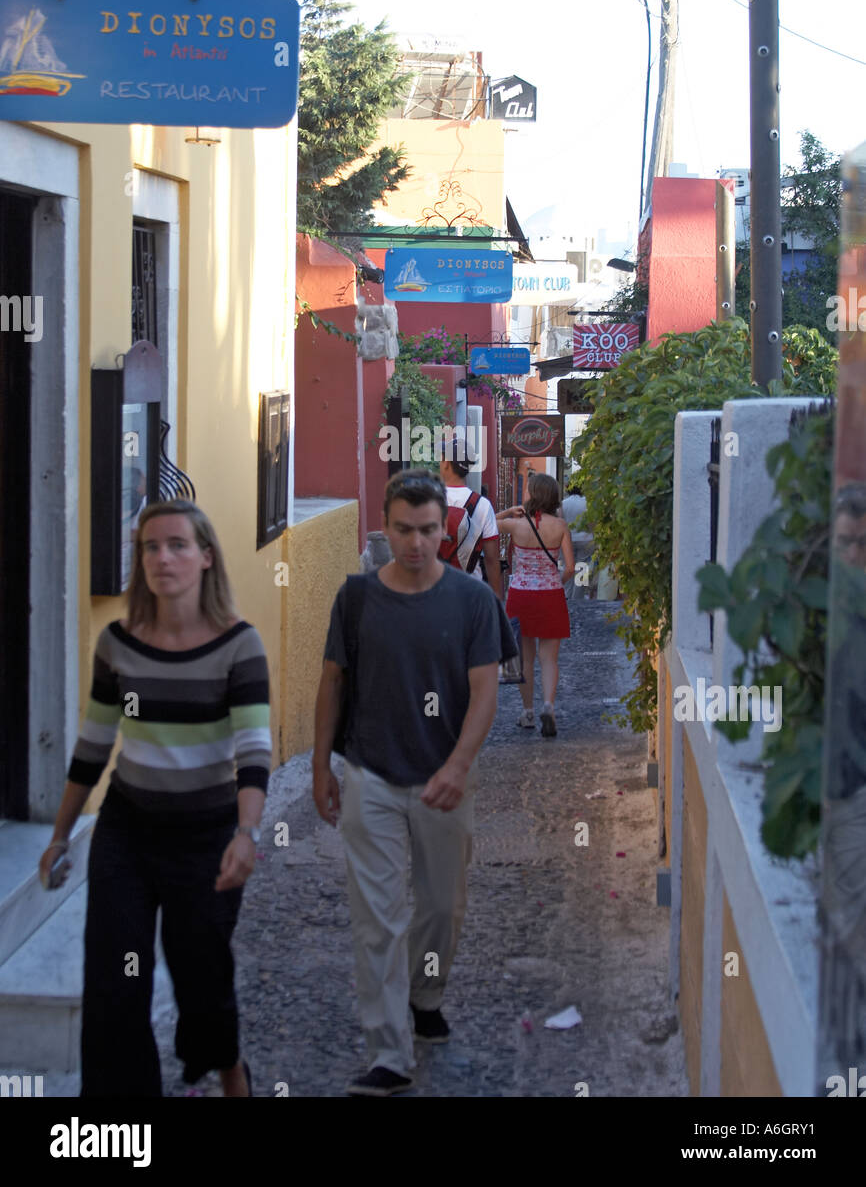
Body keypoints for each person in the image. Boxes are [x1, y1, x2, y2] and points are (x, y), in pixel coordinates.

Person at [38, 498, 271, 1098]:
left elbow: (252, 750)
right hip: (127, 836)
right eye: (150, 547)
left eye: (177, 546)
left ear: (206, 557)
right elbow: (93, 747)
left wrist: (247, 834)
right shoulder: (118, 644)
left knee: (203, 979)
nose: (163, 558)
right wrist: (61, 835)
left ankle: (229, 1072)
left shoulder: (239, 646)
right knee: (115, 986)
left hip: (209, 838)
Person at [313, 469, 501, 1097]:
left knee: (442, 907)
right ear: (386, 528)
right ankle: (389, 1052)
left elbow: (484, 694)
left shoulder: (473, 603)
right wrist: (321, 767)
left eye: (427, 530)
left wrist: (456, 766)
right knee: (379, 918)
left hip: (445, 781)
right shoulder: (357, 598)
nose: (416, 543)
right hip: (371, 775)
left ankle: (426, 996)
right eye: (403, 530)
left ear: (443, 528)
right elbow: (332, 681)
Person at [496, 473, 574, 737]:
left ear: (532, 494)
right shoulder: (560, 526)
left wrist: (508, 510)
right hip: (550, 596)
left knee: (525, 658)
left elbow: (486, 523)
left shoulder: (516, 525)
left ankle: (527, 712)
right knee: (549, 659)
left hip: (521, 595)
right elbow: (571, 568)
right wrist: (556, 582)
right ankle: (548, 707)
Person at [438, 441, 503, 597]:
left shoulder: (427, 499)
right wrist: (497, 601)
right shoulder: (482, 505)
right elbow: (491, 559)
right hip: (470, 591)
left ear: (446, 463)